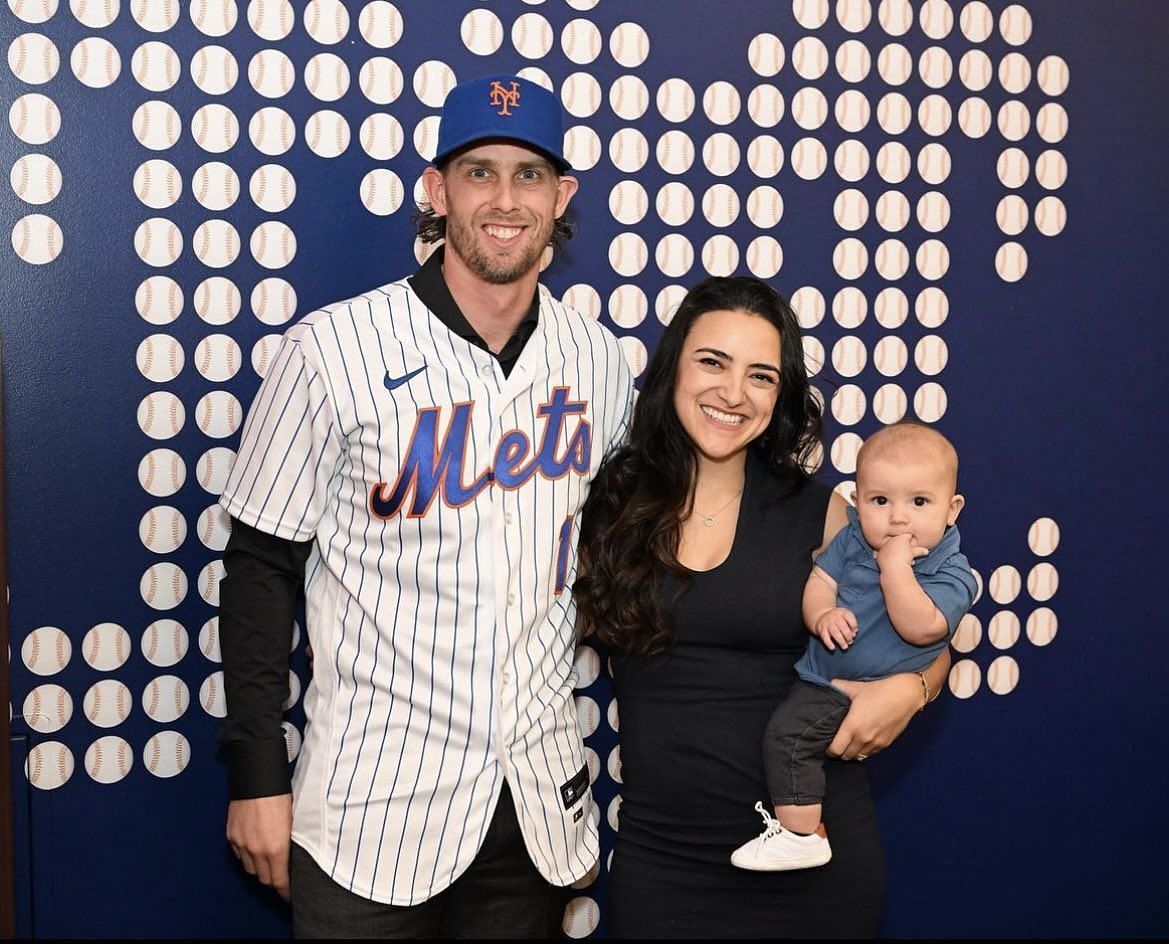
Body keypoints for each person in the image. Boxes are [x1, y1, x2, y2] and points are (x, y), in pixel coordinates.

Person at [216, 73, 634, 938]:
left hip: (530, 813)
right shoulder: (333, 349)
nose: (505, 198)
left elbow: (634, 554)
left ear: (563, 198)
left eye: (529, 175)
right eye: (479, 172)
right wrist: (258, 775)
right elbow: (260, 568)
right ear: (436, 191)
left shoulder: (598, 362)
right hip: (372, 807)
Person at [575, 275, 951, 938]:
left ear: (779, 396)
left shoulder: (827, 513)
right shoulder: (604, 504)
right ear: (671, 369)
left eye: (760, 375)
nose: (731, 392)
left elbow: (925, 638)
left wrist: (913, 688)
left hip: (812, 865)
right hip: (664, 866)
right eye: (712, 362)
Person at [731, 423, 975, 871]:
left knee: (789, 738)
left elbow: (923, 628)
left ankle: (800, 835)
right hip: (822, 676)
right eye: (880, 501)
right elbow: (820, 581)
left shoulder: (952, 571)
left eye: (919, 502)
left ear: (951, 509)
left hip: (857, 690)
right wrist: (822, 613)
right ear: (858, 501)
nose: (898, 518)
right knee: (791, 737)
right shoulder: (851, 539)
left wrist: (895, 570)